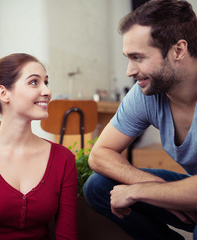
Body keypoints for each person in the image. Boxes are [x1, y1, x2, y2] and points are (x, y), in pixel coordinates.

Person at [83, 0, 197, 239]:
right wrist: (156, 189)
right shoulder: (146, 93)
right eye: (127, 57)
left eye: (138, 57)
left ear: (178, 50)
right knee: (98, 187)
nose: (129, 71)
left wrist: (144, 192)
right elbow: (100, 154)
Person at [0, 53, 78, 240]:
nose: (47, 91)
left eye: (46, 82)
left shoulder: (63, 159)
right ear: (4, 93)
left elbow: (67, 236)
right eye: (34, 82)